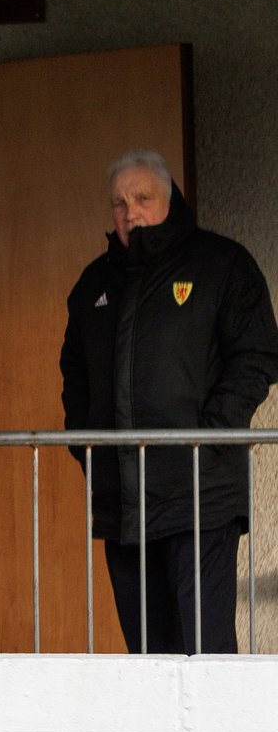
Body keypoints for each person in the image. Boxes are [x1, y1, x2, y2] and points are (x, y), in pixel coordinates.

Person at [60, 149, 278, 653]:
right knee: (147, 659)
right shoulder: (95, 283)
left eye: (142, 198)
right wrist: (84, 438)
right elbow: (74, 373)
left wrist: (214, 434)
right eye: (119, 202)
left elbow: (258, 354)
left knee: (205, 651)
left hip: (200, 494)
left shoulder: (221, 264)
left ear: (169, 198)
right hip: (122, 500)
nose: (129, 211)